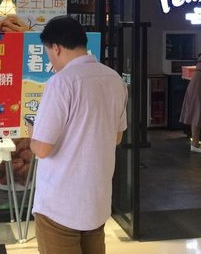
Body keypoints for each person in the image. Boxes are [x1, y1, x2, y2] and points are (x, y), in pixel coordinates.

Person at [30, 16, 128, 254]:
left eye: (48, 53)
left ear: (56, 48)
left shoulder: (61, 82)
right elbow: (117, 138)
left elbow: (42, 148)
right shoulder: (114, 79)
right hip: (96, 201)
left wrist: (32, 133)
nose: (50, 60)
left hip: (60, 204)